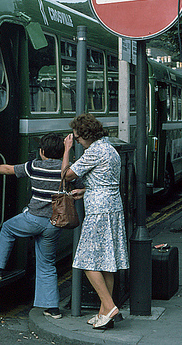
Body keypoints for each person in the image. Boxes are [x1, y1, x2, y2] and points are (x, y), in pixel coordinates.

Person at [0, 133, 65, 320]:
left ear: (42, 152)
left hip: (34, 220)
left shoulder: (35, 166)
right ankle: (52, 308)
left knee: (7, 228)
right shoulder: (65, 170)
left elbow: (7, 169)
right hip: (54, 224)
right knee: (47, 264)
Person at [61, 113, 129, 330]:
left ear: (87, 135)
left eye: (78, 138)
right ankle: (103, 313)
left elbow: (66, 175)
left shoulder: (94, 151)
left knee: (86, 261)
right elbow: (104, 180)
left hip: (98, 211)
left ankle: (109, 307)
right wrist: (86, 189)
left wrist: (66, 150)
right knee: (107, 261)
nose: (78, 142)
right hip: (113, 207)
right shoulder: (109, 149)